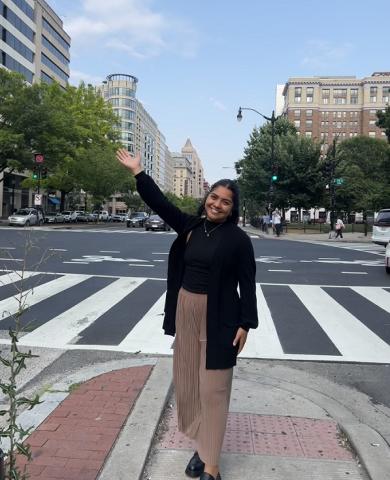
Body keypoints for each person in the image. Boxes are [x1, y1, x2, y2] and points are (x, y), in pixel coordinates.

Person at [116, 149, 258, 480]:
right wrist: (138, 173)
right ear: (206, 198)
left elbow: (248, 285)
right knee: (189, 385)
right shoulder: (191, 226)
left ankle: (212, 466)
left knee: (214, 389)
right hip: (186, 310)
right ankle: (202, 445)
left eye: (226, 201)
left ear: (233, 208)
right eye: (214, 197)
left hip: (221, 317)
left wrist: (246, 324)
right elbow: (160, 204)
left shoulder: (238, 240)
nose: (217, 204)